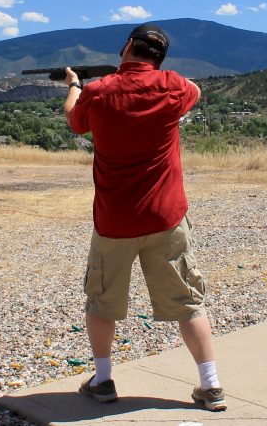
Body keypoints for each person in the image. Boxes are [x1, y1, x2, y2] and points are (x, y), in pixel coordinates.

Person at [63, 23, 226, 411]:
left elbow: (74, 121)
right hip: (166, 217)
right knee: (188, 302)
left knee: (102, 302)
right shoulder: (173, 86)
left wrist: (74, 85)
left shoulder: (99, 91)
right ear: (159, 58)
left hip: (115, 220)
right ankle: (211, 385)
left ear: (127, 47)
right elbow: (196, 90)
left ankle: (103, 381)